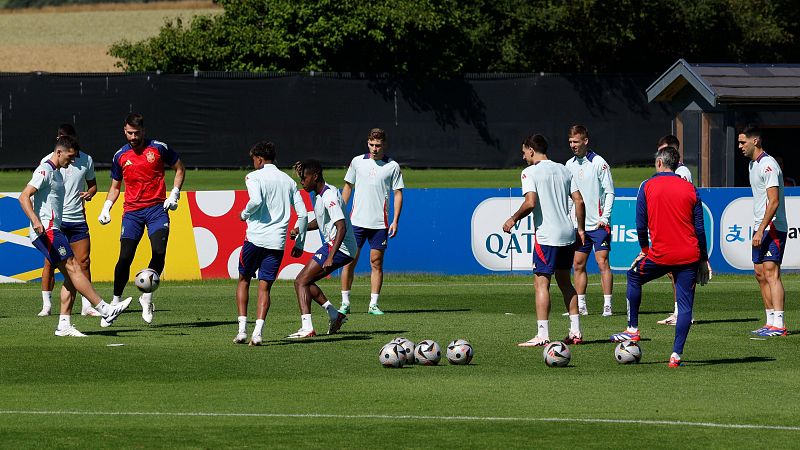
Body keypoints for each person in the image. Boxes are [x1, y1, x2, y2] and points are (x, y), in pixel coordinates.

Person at [610, 146, 711, 368]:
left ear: (659, 163)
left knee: (633, 277)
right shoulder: (690, 189)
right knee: (685, 307)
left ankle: (633, 329)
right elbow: (700, 228)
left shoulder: (647, 186)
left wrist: (644, 249)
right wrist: (703, 258)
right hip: (688, 256)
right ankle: (676, 356)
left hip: (660, 255)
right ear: (676, 165)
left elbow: (640, 224)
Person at [19, 135, 130, 336]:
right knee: (73, 266)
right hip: (47, 230)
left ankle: (64, 324)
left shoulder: (59, 173)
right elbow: (24, 196)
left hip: (56, 229)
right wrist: (35, 221)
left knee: (72, 273)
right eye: (69, 157)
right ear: (59, 152)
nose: (71, 162)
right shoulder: (44, 170)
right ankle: (105, 309)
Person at [98, 113, 185, 325]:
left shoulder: (158, 148)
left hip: (157, 209)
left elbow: (180, 169)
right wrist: (106, 207)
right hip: (132, 213)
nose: (133, 137)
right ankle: (114, 302)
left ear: (143, 131)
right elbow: (115, 186)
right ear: (124, 131)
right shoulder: (120, 156)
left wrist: (174, 193)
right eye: (129, 133)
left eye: (137, 133)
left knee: (159, 251)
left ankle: (147, 297)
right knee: (125, 256)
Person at [503, 134, 586, 347]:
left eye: (524, 152)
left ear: (531, 149)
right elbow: (579, 200)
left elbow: (530, 203)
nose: (524, 157)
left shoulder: (529, 172)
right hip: (568, 233)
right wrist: (581, 230)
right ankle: (575, 332)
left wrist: (513, 219)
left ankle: (542, 334)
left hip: (547, 235)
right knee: (565, 282)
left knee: (541, 283)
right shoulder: (564, 169)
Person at [234, 141, 308, 346]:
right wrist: (300, 243)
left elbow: (256, 201)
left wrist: (244, 213)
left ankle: (242, 331)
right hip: (277, 242)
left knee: (244, 280)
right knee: (265, 288)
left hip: (255, 238)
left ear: (258, 159)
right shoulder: (289, 181)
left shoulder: (253, 177)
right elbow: (302, 214)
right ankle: (258, 334)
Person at [339, 128, 404, 315]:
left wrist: (395, 220)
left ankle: (373, 304)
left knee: (376, 262)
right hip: (356, 222)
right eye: (372, 145)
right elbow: (347, 187)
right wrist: (339, 213)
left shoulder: (392, 166)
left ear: (384, 145)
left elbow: (398, 192)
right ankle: (345, 302)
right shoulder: (357, 162)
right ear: (368, 143)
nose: (375, 148)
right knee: (349, 261)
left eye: (378, 145)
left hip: (380, 224)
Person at [37, 124, 99, 318]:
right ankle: (47, 305)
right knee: (50, 263)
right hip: (56, 222)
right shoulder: (47, 162)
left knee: (83, 263)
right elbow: (33, 192)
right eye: (61, 139)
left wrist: (89, 194)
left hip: (77, 218)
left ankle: (87, 306)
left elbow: (93, 186)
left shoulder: (86, 159)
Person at [288, 159, 351, 339]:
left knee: (300, 281)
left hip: (339, 247)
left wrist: (331, 256)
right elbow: (322, 221)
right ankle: (335, 315)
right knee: (305, 281)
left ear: (315, 177)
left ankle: (307, 328)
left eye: (304, 178)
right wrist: (301, 228)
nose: (302, 182)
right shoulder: (319, 195)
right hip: (337, 246)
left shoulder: (329, 196)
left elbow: (341, 226)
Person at [739, 125, 788, 337]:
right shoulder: (752, 165)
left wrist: (761, 230)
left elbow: (774, 201)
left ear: (755, 141)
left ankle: (780, 324)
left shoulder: (768, 164)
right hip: (760, 225)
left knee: (771, 272)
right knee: (760, 274)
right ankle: (769, 322)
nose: (740, 146)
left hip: (773, 227)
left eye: (743, 142)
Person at [565, 125, 615, 317]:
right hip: (580, 226)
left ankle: (607, 305)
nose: (573, 145)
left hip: (598, 225)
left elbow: (610, 192)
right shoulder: (568, 165)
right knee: (578, 264)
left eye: (576, 141)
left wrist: (605, 217)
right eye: (570, 142)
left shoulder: (599, 163)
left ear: (585, 141)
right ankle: (582, 306)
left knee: (602, 262)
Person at [655, 135, 695, 326]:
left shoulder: (682, 171)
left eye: (664, 149)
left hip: (681, 229)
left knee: (681, 273)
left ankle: (685, 313)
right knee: (673, 273)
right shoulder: (671, 171)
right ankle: (679, 311)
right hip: (672, 228)